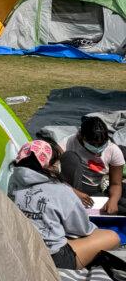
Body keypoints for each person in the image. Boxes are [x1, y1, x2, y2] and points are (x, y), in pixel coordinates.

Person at [8, 140, 120, 270]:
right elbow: (82, 229)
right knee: (112, 237)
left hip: (21, 248)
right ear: (48, 166)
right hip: (53, 257)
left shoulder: (12, 182)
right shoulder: (60, 190)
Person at [61, 115, 124, 215]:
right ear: (82, 137)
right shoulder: (68, 143)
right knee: (70, 157)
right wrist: (74, 192)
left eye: (101, 144)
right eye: (93, 144)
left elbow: (116, 184)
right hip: (70, 187)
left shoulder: (113, 150)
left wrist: (113, 200)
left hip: (93, 191)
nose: (97, 148)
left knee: (119, 206)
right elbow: (50, 176)